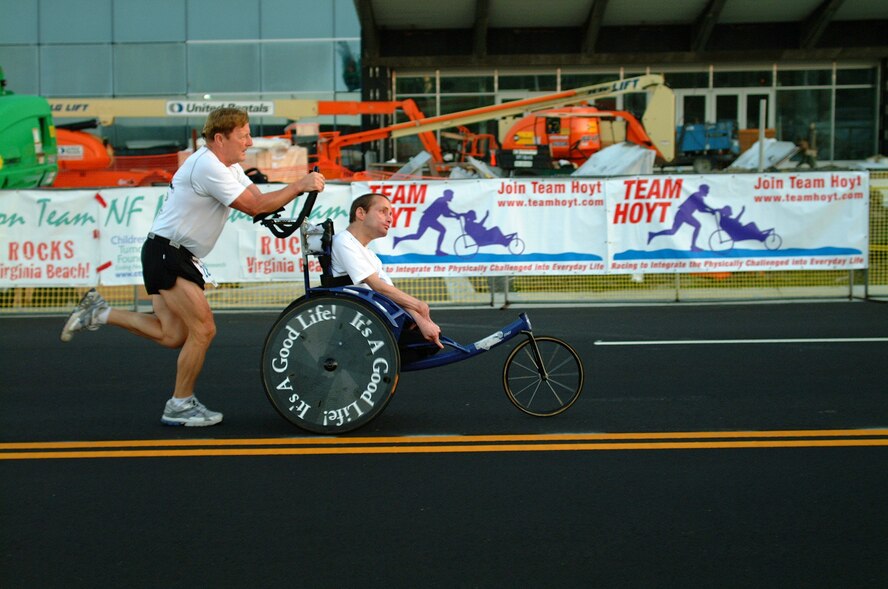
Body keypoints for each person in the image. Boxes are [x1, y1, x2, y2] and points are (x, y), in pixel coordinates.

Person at [59, 107, 326, 427]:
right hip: (168, 254)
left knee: (171, 334)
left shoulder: (228, 166)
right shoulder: (207, 166)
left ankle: (99, 312)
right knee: (203, 329)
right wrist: (300, 185)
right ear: (219, 138)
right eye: (243, 136)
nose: (249, 142)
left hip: (168, 253)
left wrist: (278, 208)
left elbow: (257, 199)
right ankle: (179, 405)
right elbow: (255, 205)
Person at [331, 193, 443, 352]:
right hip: (358, 321)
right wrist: (420, 306)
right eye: (383, 211)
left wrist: (420, 318)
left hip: (375, 315)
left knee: (429, 339)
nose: (389, 219)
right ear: (361, 213)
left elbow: (391, 294)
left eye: (390, 214)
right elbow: (379, 287)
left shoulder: (370, 255)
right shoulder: (343, 241)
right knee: (425, 343)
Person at [647, 183, 715, 251]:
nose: (707, 192)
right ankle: (693, 246)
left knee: (673, 231)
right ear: (702, 190)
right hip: (683, 214)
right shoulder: (696, 195)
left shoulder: (699, 197)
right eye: (706, 190)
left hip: (683, 214)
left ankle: (653, 234)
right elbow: (702, 207)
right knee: (697, 226)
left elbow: (701, 209)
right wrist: (711, 210)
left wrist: (711, 210)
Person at [392, 189, 458, 255]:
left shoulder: (442, 201)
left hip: (428, 219)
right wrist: (455, 216)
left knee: (418, 236)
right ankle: (438, 251)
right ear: (447, 195)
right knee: (442, 230)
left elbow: (448, 210)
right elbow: (446, 214)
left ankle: (398, 239)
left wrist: (457, 214)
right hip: (428, 219)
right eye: (451, 195)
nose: (452, 197)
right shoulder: (441, 201)